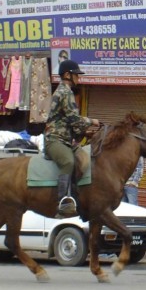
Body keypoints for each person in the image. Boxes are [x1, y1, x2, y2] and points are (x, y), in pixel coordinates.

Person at [44, 60, 100, 217]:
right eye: (76, 75)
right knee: (68, 161)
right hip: (54, 139)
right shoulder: (65, 92)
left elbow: (71, 124)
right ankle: (61, 202)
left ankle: (77, 196)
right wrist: (92, 121)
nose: (78, 78)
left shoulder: (65, 92)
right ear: (67, 75)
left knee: (84, 158)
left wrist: (85, 133)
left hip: (66, 140)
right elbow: (75, 119)